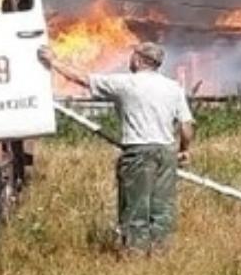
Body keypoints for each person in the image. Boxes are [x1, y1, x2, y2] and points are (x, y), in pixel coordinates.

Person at [41, 41, 195, 251]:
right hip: (166, 152)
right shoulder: (173, 88)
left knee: (135, 207)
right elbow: (186, 125)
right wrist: (184, 149)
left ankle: (136, 255)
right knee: (162, 207)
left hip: (138, 152)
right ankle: (160, 253)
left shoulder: (126, 85)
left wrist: (53, 62)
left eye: (133, 55)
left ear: (139, 60)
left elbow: (83, 79)